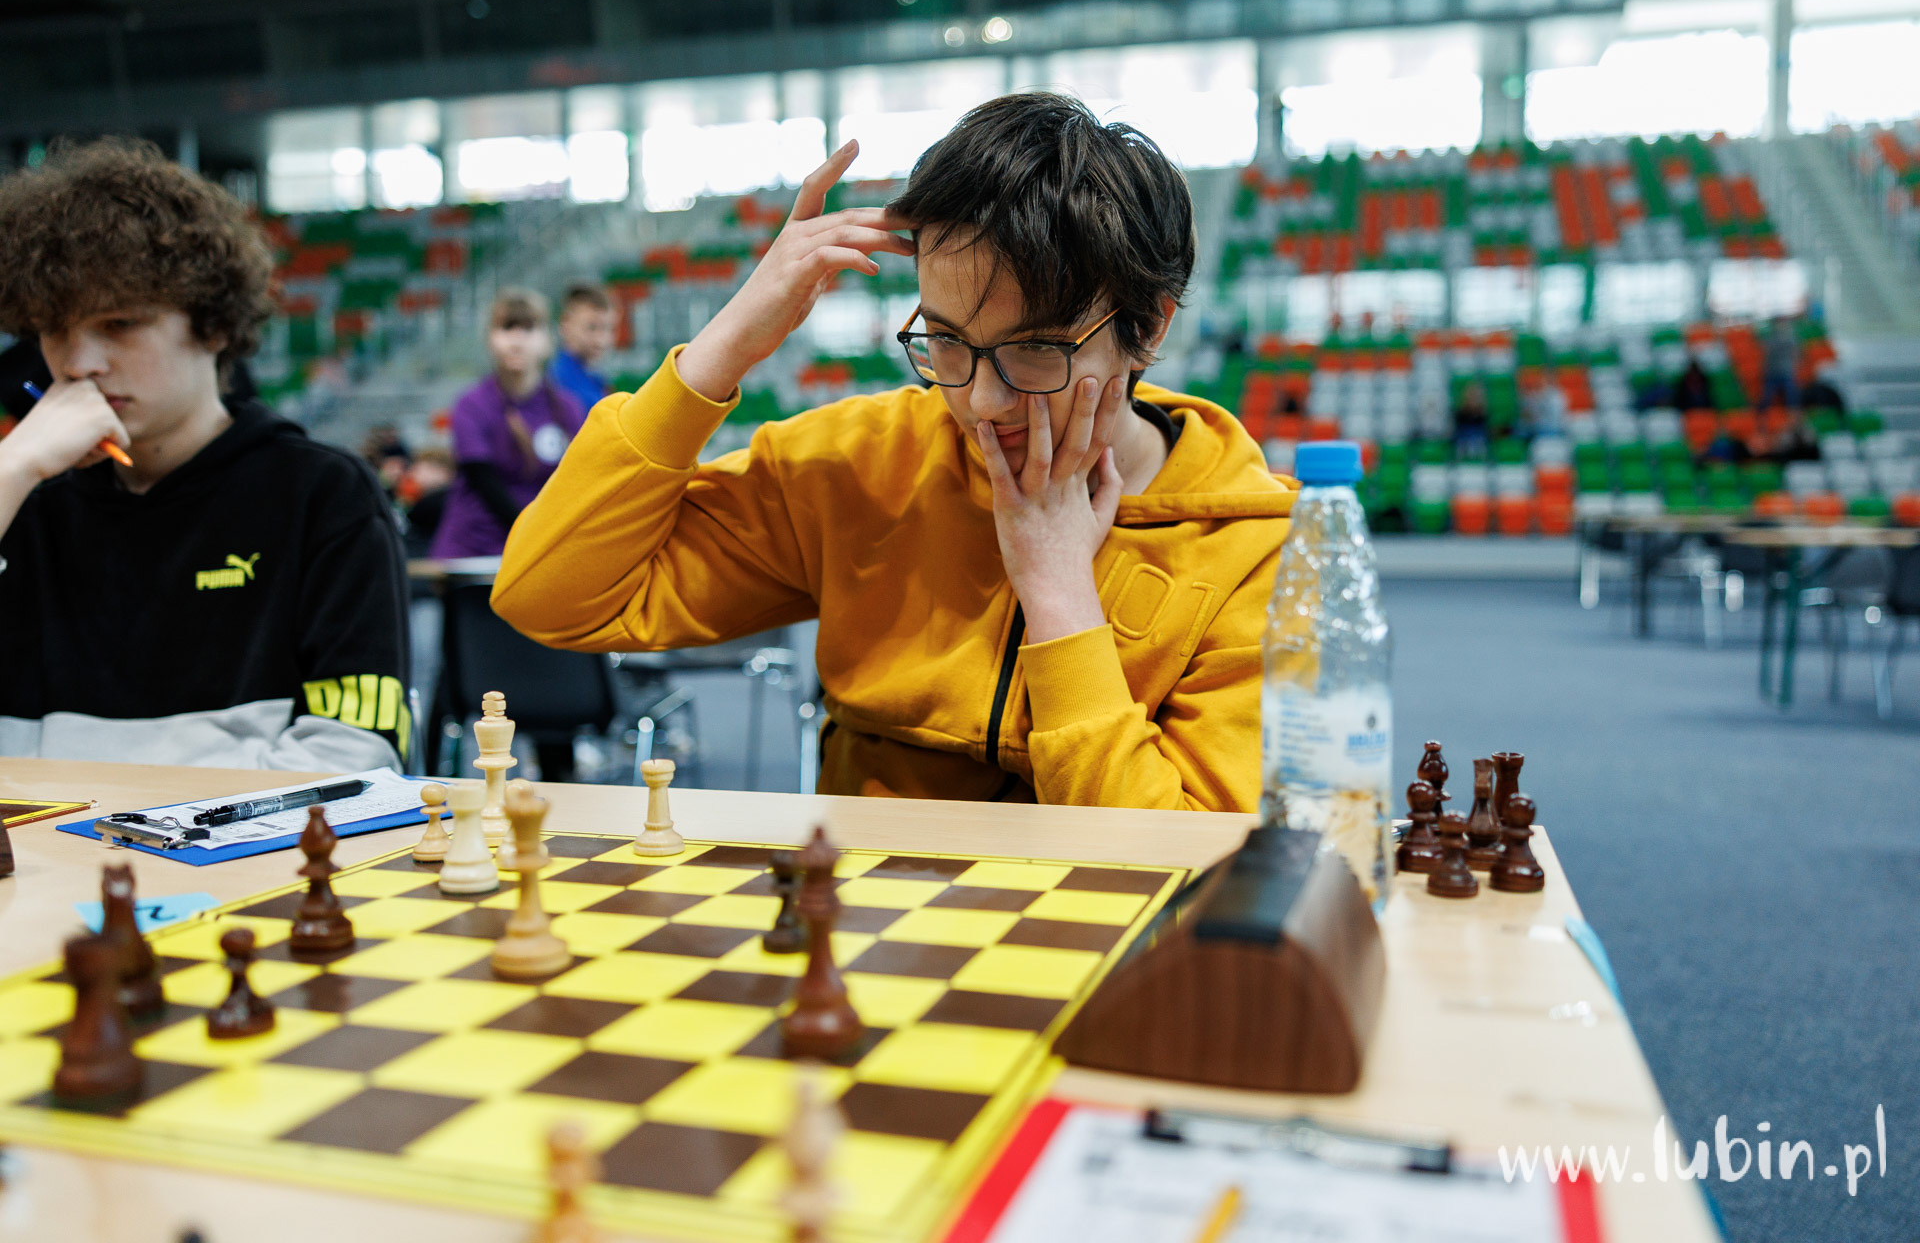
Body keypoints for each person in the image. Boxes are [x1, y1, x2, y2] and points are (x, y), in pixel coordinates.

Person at [493, 93, 1299, 811]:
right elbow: (549, 595)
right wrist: (728, 342)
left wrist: (1059, 598)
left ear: (1148, 326)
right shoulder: (863, 461)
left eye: (1036, 351)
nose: (981, 402)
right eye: (945, 341)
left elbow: (1193, 867)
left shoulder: (1252, 548)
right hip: (863, 920)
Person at [0, 138, 410, 769]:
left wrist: (158, 820)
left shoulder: (323, 495)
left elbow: (356, 752)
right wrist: (11, 469)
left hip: (243, 836)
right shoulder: (23, 499)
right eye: (55, 330)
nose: (79, 364)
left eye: (120, 324)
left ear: (213, 324)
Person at [431, 288, 588, 560]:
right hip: (476, 552)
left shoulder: (568, 409)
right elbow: (486, 485)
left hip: (543, 549)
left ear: (548, 340)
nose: (516, 340)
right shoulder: (470, 406)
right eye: (506, 327)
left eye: (528, 328)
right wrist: (536, 537)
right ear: (489, 339)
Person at [549, 283, 616, 416]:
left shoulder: (597, 378)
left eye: (608, 328)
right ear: (566, 324)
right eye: (591, 327)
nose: (600, 340)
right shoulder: (556, 382)